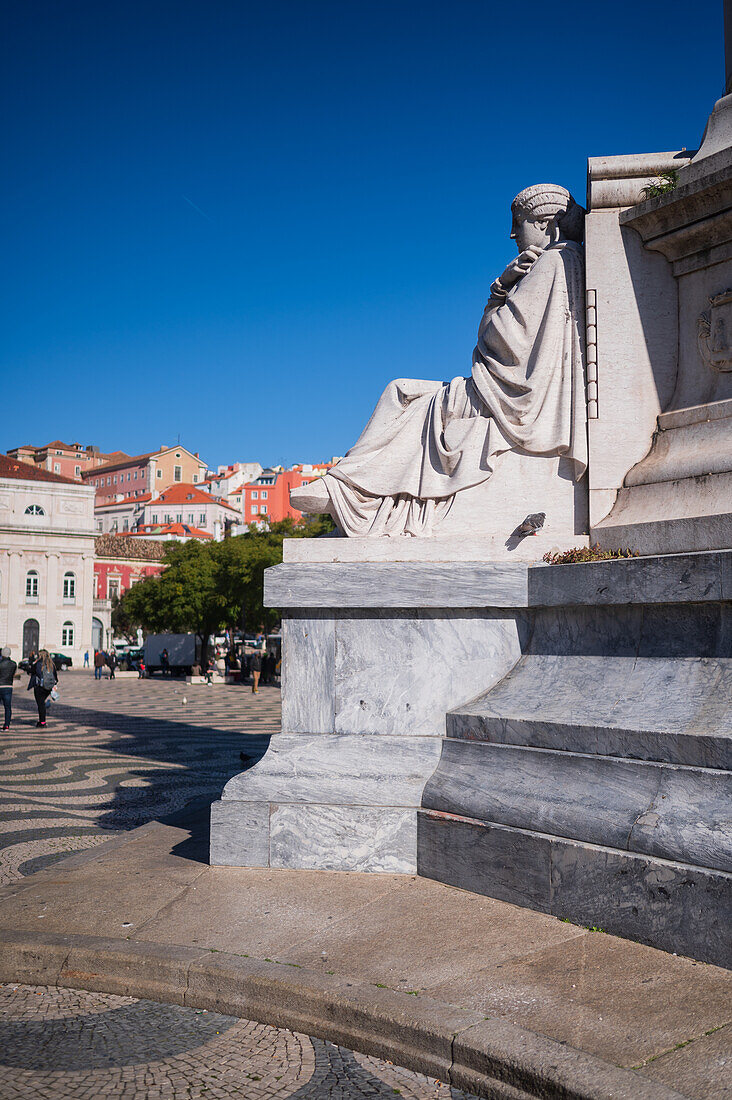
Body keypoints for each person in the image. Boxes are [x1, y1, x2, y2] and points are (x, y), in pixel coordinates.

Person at [291, 184, 587, 537]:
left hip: (509, 395)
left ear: (545, 223)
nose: (512, 234)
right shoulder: (562, 262)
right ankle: (348, 485)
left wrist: (498, 290)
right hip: (509, 389)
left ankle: (348, 489)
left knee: (400, 393)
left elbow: (502, 339)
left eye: (518, 222)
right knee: (399, 390)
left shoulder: (551, 262)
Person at [27, 649, 57, 727]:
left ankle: (42, 722)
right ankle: (42, 719)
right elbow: (56, 678)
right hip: (48, 687)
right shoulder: (52, 664)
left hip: (39, 687)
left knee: (40, 705)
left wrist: (32, 663)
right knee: (42, 703)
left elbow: (30, 671)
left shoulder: (38, 664)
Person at [0, 646, 17, 730]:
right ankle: (6, 725)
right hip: (8, 686)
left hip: (0, 686)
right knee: (7, 707)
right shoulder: (14, 664)